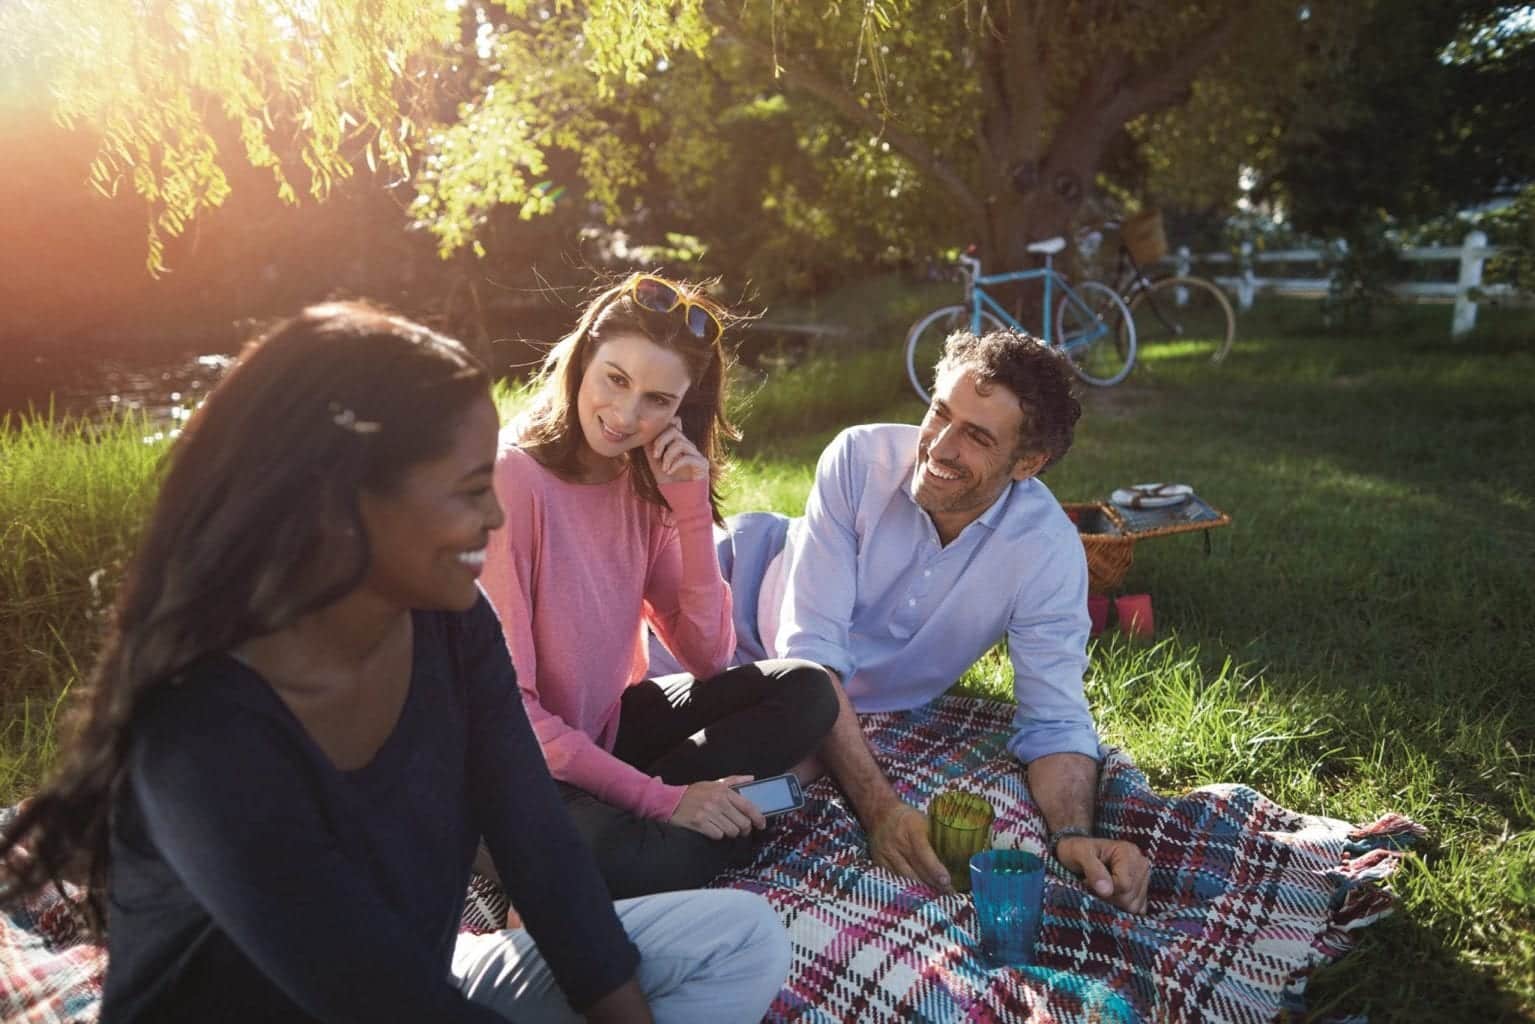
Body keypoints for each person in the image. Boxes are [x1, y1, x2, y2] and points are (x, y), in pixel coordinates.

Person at [0, 302, 789, 1023]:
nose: (492, 514)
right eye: (470, 488)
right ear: (348, 498)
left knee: (743, 937)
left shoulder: (454, 626)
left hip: (431, 972)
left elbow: (538, 844)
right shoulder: (200, 726)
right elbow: (377, 1001)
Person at [652, 329, 1152, 914]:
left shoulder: (1047, 549)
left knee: (746, 799)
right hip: (721, 608)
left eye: (977, 436)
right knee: (605, 735)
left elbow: (1056, 717)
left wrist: (1072, 835)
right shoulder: (859, 459)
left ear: (1029, 463)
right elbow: (808, 660)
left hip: (808, 704)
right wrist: (880, 810)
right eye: (940, 412)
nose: (939, 446)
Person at [483, 274, 839, 899]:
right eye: (615, 379)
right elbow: (511, 713)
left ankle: (693, 814)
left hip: (604, 736)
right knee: (641, 864)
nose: (626, 416)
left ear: (682, 409)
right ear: (582, 359)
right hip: (503, 770)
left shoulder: (644, 479)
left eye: (657, 400)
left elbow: (709, 658)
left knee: (808, 690)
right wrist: (661, 799)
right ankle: (715, 815)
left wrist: (691, 509)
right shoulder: (510, 479)